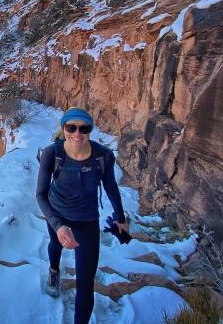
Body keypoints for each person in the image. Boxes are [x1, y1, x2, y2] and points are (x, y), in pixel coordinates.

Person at [35, 107, 129, 324]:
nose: (77, 133)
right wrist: (58, 226)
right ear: (63, 128)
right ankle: (54, 270)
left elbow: (111, 187)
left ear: (90, 131)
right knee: (55, 246)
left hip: (87, 221)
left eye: (84, 128)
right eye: (71, 127)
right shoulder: (52, 154)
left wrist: (120, 218)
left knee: (85, 283)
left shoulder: (103, 156)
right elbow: (40, 194)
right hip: (57, 215)